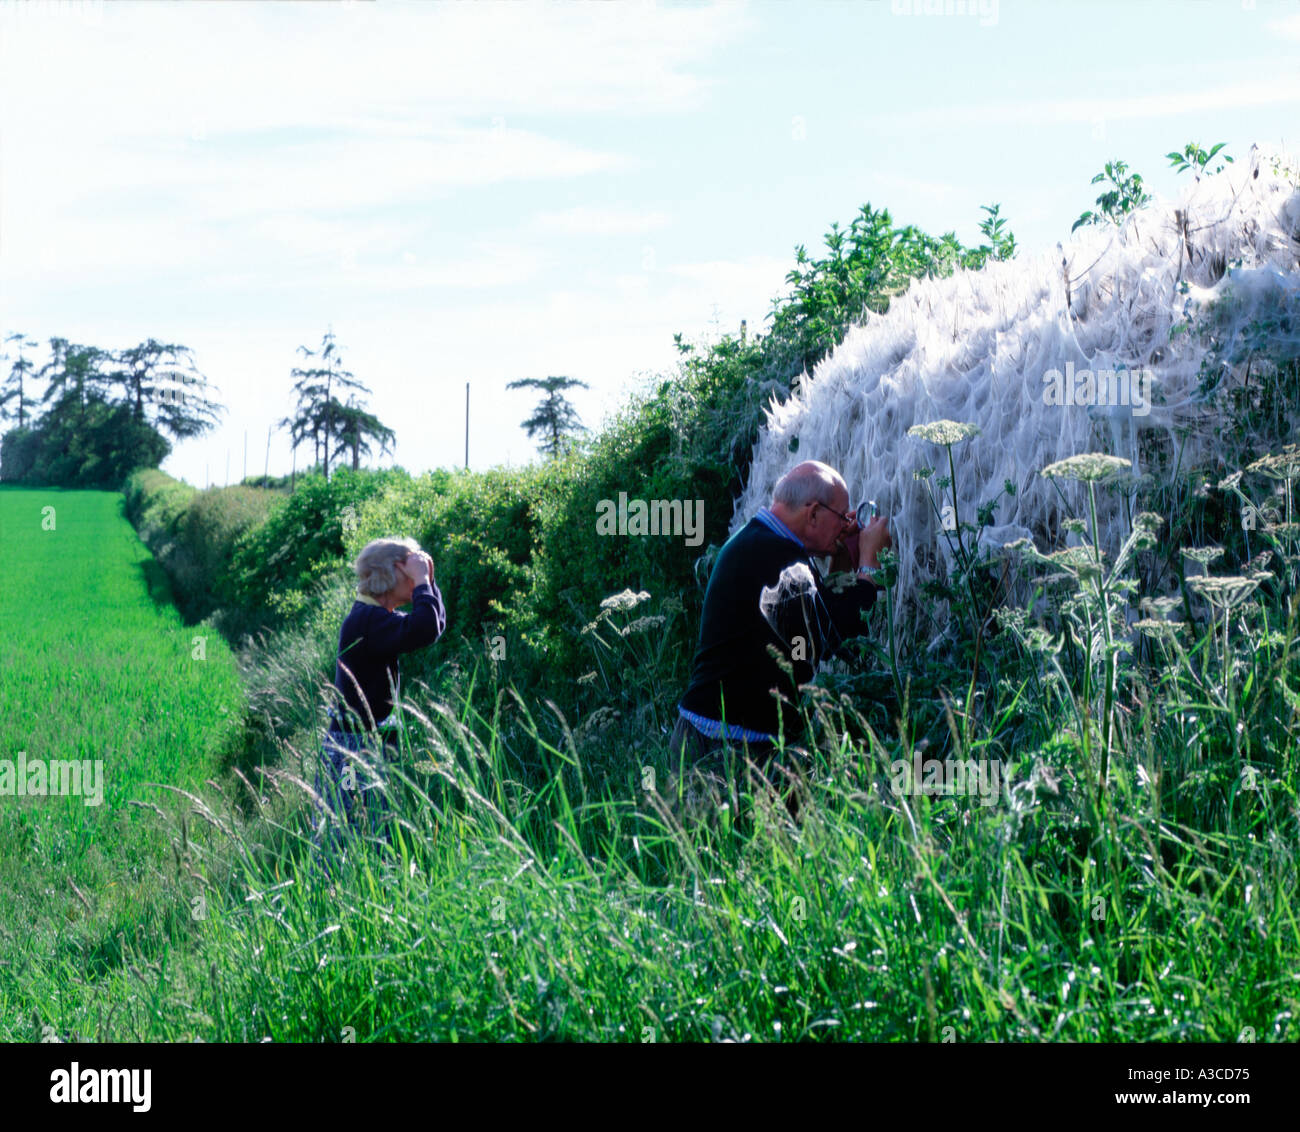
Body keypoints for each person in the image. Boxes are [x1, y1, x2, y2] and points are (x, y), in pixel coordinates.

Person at [672, 460, 892, 792]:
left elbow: (816, 613)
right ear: (814, 513)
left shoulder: (764, 541)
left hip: (716, 738)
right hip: (724, 750)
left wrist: (844, 558)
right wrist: (870, 564)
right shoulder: (777, 555)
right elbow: (830, 636)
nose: (848, 524)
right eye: (843, 516)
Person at [316, 537, 446, 847]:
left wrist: (429, 581)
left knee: (372, 839)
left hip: (366, 744)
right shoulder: (366, 622)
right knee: (346, 844)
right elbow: (424, 627)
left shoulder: (372, 618)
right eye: (410, 573)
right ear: (388, 575)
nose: (415, 581)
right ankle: (335, 895)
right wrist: (424, 582)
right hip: (352, 750)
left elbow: (433, 626)